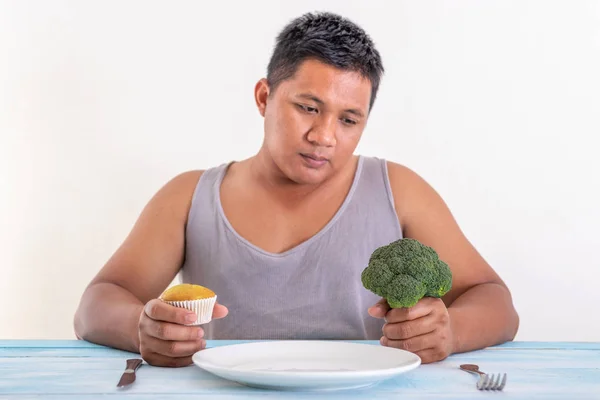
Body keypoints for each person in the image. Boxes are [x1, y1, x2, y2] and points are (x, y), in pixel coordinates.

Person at [74, 11, 519, 368]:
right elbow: (96, 304)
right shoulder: (189, 196)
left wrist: (451, 331)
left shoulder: (398, 190)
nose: (324, 136)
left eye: (349, 119)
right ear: (264, 97)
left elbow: (495, 301)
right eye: (308, 108)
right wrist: (141, 326)